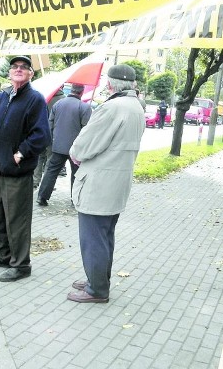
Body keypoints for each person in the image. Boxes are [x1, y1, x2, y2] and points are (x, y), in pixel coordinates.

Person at [66, 64, 145, 303]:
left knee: (93, 239)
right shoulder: (136, 107)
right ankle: (98, 279)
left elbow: (83, 146)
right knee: (104, 236)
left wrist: (75, 154)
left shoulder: (111, 107)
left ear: (110, 85)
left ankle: (97, 289)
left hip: (99, 184)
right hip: (117, 183)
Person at [0, 56, 51, 282]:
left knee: (17, 220)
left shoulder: (35, 99)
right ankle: (3, 255)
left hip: (17, 171)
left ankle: (21, 264)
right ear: (9, 73)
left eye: (23, 68)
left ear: (30, 74)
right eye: (14, 67)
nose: (18, 70)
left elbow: (42, 134)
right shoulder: (4, 95)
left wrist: (21, 153)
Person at [37, 83, 92, 206]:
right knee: (77, 174)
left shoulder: (58, 104)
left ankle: (42, 197)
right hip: (76, 148)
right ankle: (75, 198)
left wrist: (51, 141)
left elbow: (50, 124)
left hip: (58, 145)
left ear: (71, 90)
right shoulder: (84, 107)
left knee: (51, 171)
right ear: (81, 92)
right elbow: (86, 130)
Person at [33, 87, 64, 189]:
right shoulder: (63, 100)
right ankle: (46, 183)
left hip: (40, 132)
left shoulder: (44, 96)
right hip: (53, 135)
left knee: (39, 157)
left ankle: (35, 180)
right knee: (50, 159)